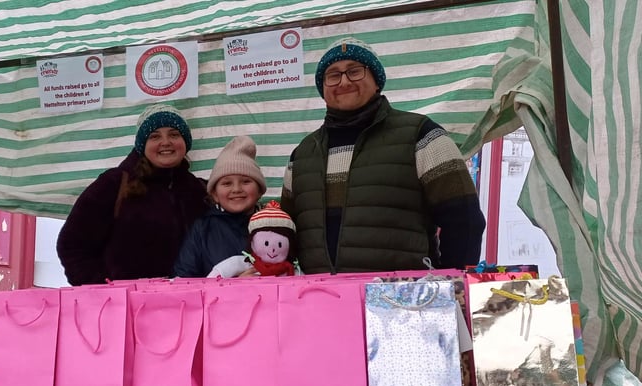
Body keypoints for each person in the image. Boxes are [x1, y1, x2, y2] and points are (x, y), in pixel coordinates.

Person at [280, 37, 486, 274]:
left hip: (404, 303)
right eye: (333, 74)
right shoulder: (303, 154)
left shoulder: (422, 136)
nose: (344, 81)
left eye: (355, 71)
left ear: (376, 81)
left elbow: (465, 221)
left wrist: (450, 282)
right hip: (321, 300)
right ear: (322, 88)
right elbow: (286, 232)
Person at [56, 104, 208, 284]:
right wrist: (102, 288)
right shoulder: (114, 184)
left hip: (190, 303)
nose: (165, 142)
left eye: (174, 134)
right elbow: (72, 245)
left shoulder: (200, 190)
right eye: (155, 136)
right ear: (142, 145)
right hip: (124, 307)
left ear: (186, 142)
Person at [173, 135, 266, 278]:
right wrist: (234, 286)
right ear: (215, 194)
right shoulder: (203, 229)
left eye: (246, 181)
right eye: (227, 183)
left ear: (260, 190)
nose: (236, 189)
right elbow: (183, 280)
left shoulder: (274, 224)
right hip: (217, 300)